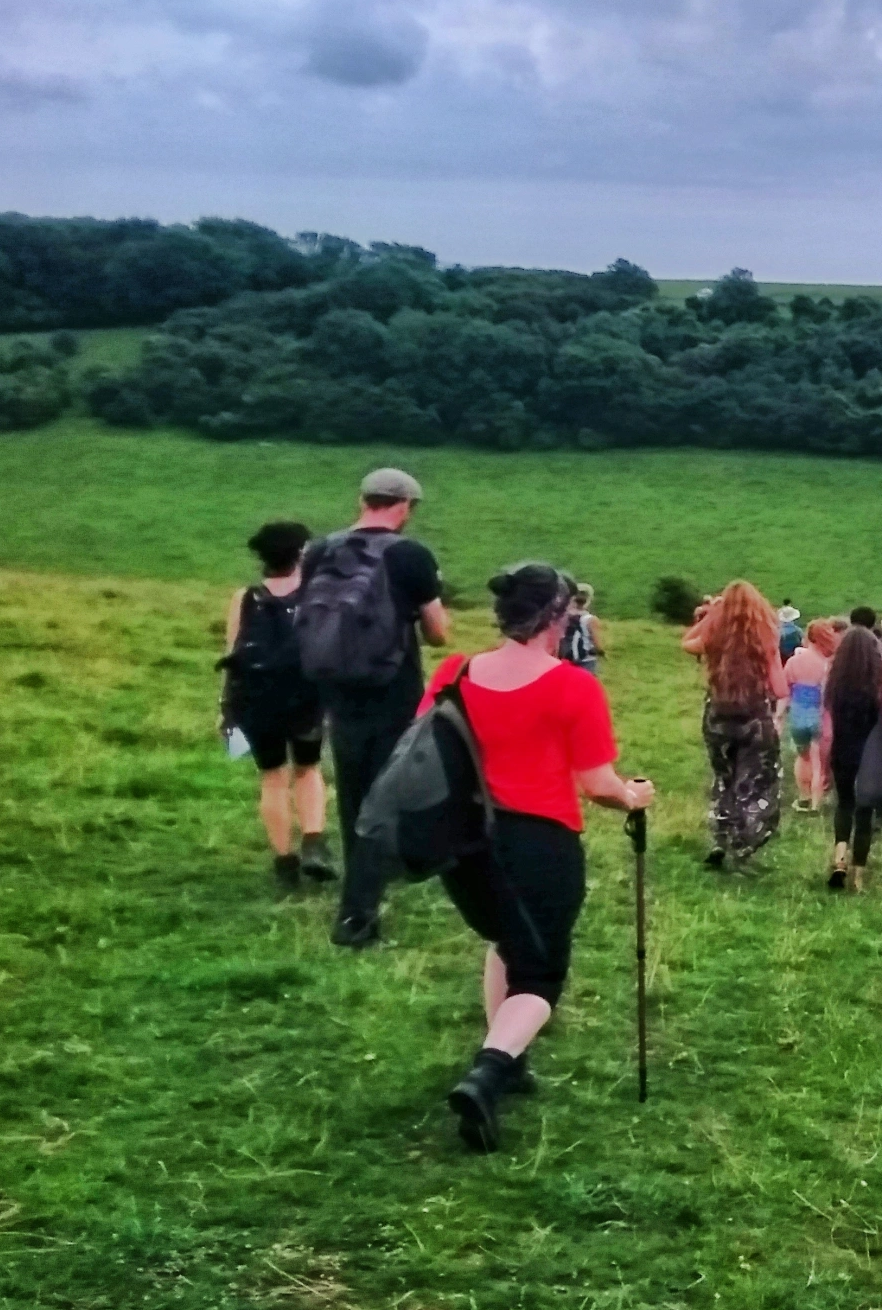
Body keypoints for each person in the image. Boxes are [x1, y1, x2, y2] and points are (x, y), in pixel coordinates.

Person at [428, 563, 655, 1152]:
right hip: (539, 844)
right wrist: (634, 796)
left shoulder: (454, 673)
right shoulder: (573, 686)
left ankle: (511, 1055)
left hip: (465, 840)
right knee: (541, 973)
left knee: (505, 939)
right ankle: (489, 1072)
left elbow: (426, 747)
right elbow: (599, 785)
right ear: (557, 618)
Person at [300, 468, 449, 949]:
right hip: (392, 687)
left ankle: (367, 886)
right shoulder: (410, 555)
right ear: (404, 505)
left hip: (336, 688)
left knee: (354, 792)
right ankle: (358, 915)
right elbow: (438, 632)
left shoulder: (320, 549)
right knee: (392, 794)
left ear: (363, 499)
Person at [219, 519, 330, 892]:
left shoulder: (245, 597)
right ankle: (314, 840)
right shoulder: (317, 593)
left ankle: (284, 862)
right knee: (308, 768)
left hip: (256, 697)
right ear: (301, 553)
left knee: (272, 777)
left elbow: (233, 654)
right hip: (305, 694)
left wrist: (226, 706)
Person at [681, 580, 788, 870]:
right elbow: (779, 688)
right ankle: (743, 847)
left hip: (717, 716)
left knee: (723, 780)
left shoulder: (714, 638)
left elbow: (686, 642)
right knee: (751, 785)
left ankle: (720, 839)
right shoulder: (766, 639)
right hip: (754, 718)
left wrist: (712, 616)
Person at [820, 626, 882, 891]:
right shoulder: (880, 682)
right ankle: (858, 876)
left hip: (843, 751)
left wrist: (823, 763)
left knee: (844, 805)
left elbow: (827, 729)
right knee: (865, 813)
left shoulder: (834, 682)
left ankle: (839, 858)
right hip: (871, 753)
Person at [785, 617, 837, 811]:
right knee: (818, 763)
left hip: (798, 715)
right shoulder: (828, 665)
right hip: (820, 716)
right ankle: (816, 803)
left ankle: (803, 797)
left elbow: (784, 687)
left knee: (802, 757)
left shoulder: (794, 661)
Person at [558, 584, 602, 675]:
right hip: (586, 658)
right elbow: (596, 641)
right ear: (588, 600)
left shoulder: (562, 616)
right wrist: (601, 652)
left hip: (565, 656)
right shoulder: (590, 619)